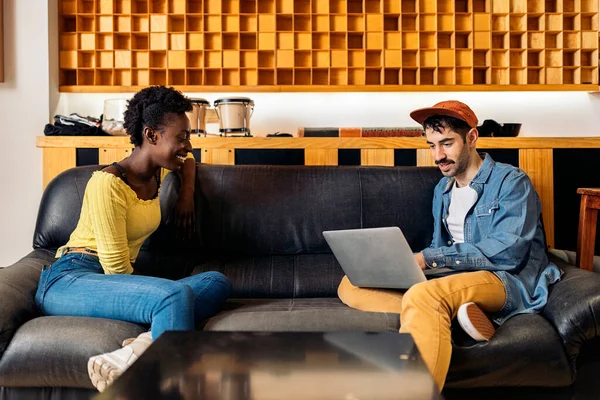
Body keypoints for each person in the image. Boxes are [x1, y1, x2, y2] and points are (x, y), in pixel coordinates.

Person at [337, 100, 561, 391]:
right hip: (456, 277)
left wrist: (428, 259)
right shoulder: (442, 190)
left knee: (425, 297)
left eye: (446, 143)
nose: (438, 156)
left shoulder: (510, 181)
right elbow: (440, 243)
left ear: (471, 138)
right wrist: (402, 267)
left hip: (506, 279)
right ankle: (451, 314)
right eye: (431, 145)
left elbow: (509, 252)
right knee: (351, 283)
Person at [34, 86, 232, 392]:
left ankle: (138, 349)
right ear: (152, 136)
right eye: (181, 137)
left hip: (107, 279)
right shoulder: (107, 183)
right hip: (71, 278)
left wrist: (186, 195)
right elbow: (115, 267)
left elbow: (190, 161)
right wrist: (158, 297)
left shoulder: (157, 174)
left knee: (216, 281)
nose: (187, 145)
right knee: (173, 296)